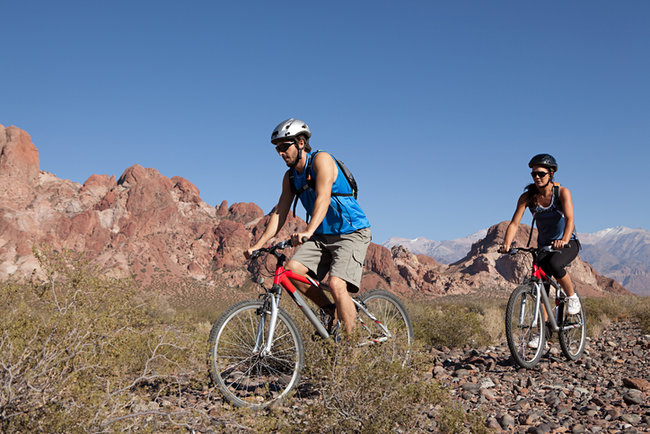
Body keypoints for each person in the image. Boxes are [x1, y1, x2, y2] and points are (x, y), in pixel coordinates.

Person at [245, 118, 371, 338]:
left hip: (350, 232)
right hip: (322, 235)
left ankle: (352, 352)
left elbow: (323, 198)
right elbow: (279, 213)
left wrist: (308, 231)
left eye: (285, 147)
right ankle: (330, 311)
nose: (281, 153)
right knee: (291, 270)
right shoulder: (291, 177)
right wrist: (258, 245)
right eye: (277, 149)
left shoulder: (322, 160)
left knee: (336, 283)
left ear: (301, 143)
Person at [499, 154, 581, 346]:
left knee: (554, 263)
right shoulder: (528, 197)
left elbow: (570, 219)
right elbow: (514, 223)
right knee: (539, 289)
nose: (537, 177)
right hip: (544, 246)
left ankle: (572, 297)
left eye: (541, 173)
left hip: (568, 243)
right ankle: (543, 332)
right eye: (534, 173)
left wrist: (564, 240)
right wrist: (507, 244)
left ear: (551, 174)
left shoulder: (562, 193)